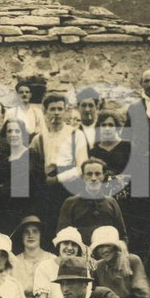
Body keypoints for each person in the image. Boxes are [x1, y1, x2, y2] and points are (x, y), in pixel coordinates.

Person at [29, 93, 88, 237]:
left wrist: (58, 179)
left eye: (60, 109)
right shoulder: (39, 138)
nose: (56, 112)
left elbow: (82, 168)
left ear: (65, 111)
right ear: (45, 112)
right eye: (52, 109)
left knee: (69, 229)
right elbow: (32, 165)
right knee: (48, 228)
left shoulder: (76, 135)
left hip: (70, 189)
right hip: (47, 190)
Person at [0, 117, 42, 234]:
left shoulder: (31, 155)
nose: (13, 134)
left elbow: (29, 182)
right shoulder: (2, 160)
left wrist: (3, 188)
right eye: (9, 131)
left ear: (23, 134)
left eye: (17, 131)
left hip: (26, 211)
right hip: (4, 214)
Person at [57, 158, 128, 245]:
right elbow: (62, 235)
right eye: (89, 174)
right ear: (82, 177)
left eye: (97, 174)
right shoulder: (70, 203)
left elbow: (122, 236)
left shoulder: (111, 202)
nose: (93, 178)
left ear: (103, 176)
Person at [89, 225, 150, 298]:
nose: (105, 250)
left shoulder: (132, 260)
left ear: (116, 246)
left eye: (108, 245)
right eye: (100, 247)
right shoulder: (98, 266)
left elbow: (144, 294)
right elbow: (93, 294)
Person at [9, 215, 63, 298]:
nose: (31, 235)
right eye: (26, 232)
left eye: (35, 231)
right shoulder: (14, 261)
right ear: (21, 235)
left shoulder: (52, 259)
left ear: (40, 235)